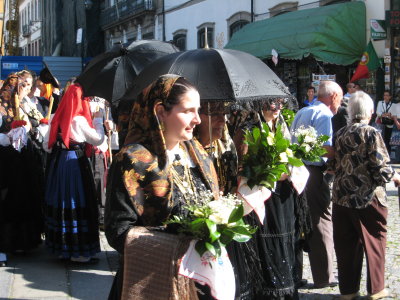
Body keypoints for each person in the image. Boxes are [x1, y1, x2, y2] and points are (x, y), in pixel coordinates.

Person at [104, 74, 220, 300]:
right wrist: (178, 242)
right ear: (160, 112)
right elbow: (118, 231)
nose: (197, 119)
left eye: (198, 110)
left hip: (198, 279)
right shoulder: (133, 160)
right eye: (188, 111)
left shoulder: (197, 155)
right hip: (151, 280)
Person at [233, 97, 309, 300]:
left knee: (286, 243)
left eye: (280, 104)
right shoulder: (248, 129)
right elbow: (241, 166)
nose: (277, 109)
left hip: (284, 197)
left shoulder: (283, 126)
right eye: (272, 104)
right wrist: (267, 172)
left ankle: (286, 288)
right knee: (267, 245)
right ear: (261, 104)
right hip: (262, 197)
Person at [329, 91, 400, 300]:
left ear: (351, 112)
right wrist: (396, 176)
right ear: (369, 111)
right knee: (375, 241)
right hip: (367, 198)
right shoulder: (371, 132)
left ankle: (348, 291)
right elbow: (381, 167)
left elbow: (333, 166)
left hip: (341, 197)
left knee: (345, 246)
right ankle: (376, 289)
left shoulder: (340, 132)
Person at [43, 83, 111, 263]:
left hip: (59, 163)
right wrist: (98, 119)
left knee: (61, 201)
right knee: (78, 200)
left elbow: (45, 146)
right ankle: (79, 253)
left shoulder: (55, 117)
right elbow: (98, 139)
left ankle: (60, 248)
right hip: (75, 164)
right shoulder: (79, 120)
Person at [290, 80, 343, 288]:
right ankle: (324, 277)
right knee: (321, 222)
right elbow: (325, 148)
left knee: (299, 223)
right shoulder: (324, 115)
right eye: (339, 98)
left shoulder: (303, 111)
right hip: (314, 173)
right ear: (333, 97)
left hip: (298, 171)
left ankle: (296, 274)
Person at [0, 70, 43, 266]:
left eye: (27, 86)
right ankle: (6, 244)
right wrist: (8, 137)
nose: (25, 89)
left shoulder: (26, 105)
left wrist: (31, 129)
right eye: (21, 86)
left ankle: (24, 241)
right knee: (8, 201)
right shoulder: (1, 108)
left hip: (24, 160)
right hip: (6, 161)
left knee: (24, 199)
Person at [376, 91, 397, 155]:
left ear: (390, 97)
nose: (385, 97)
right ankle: (380, 153)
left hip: (389, 123)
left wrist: (388, 114)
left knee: (388, 139)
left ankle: (388, 153)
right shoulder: (380, 103)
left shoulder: (393, 104)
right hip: (381, 122)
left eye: (387, 95)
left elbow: (393, 114)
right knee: (380, 138)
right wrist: (385, 114)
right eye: (384, 95)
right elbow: (378, 112)